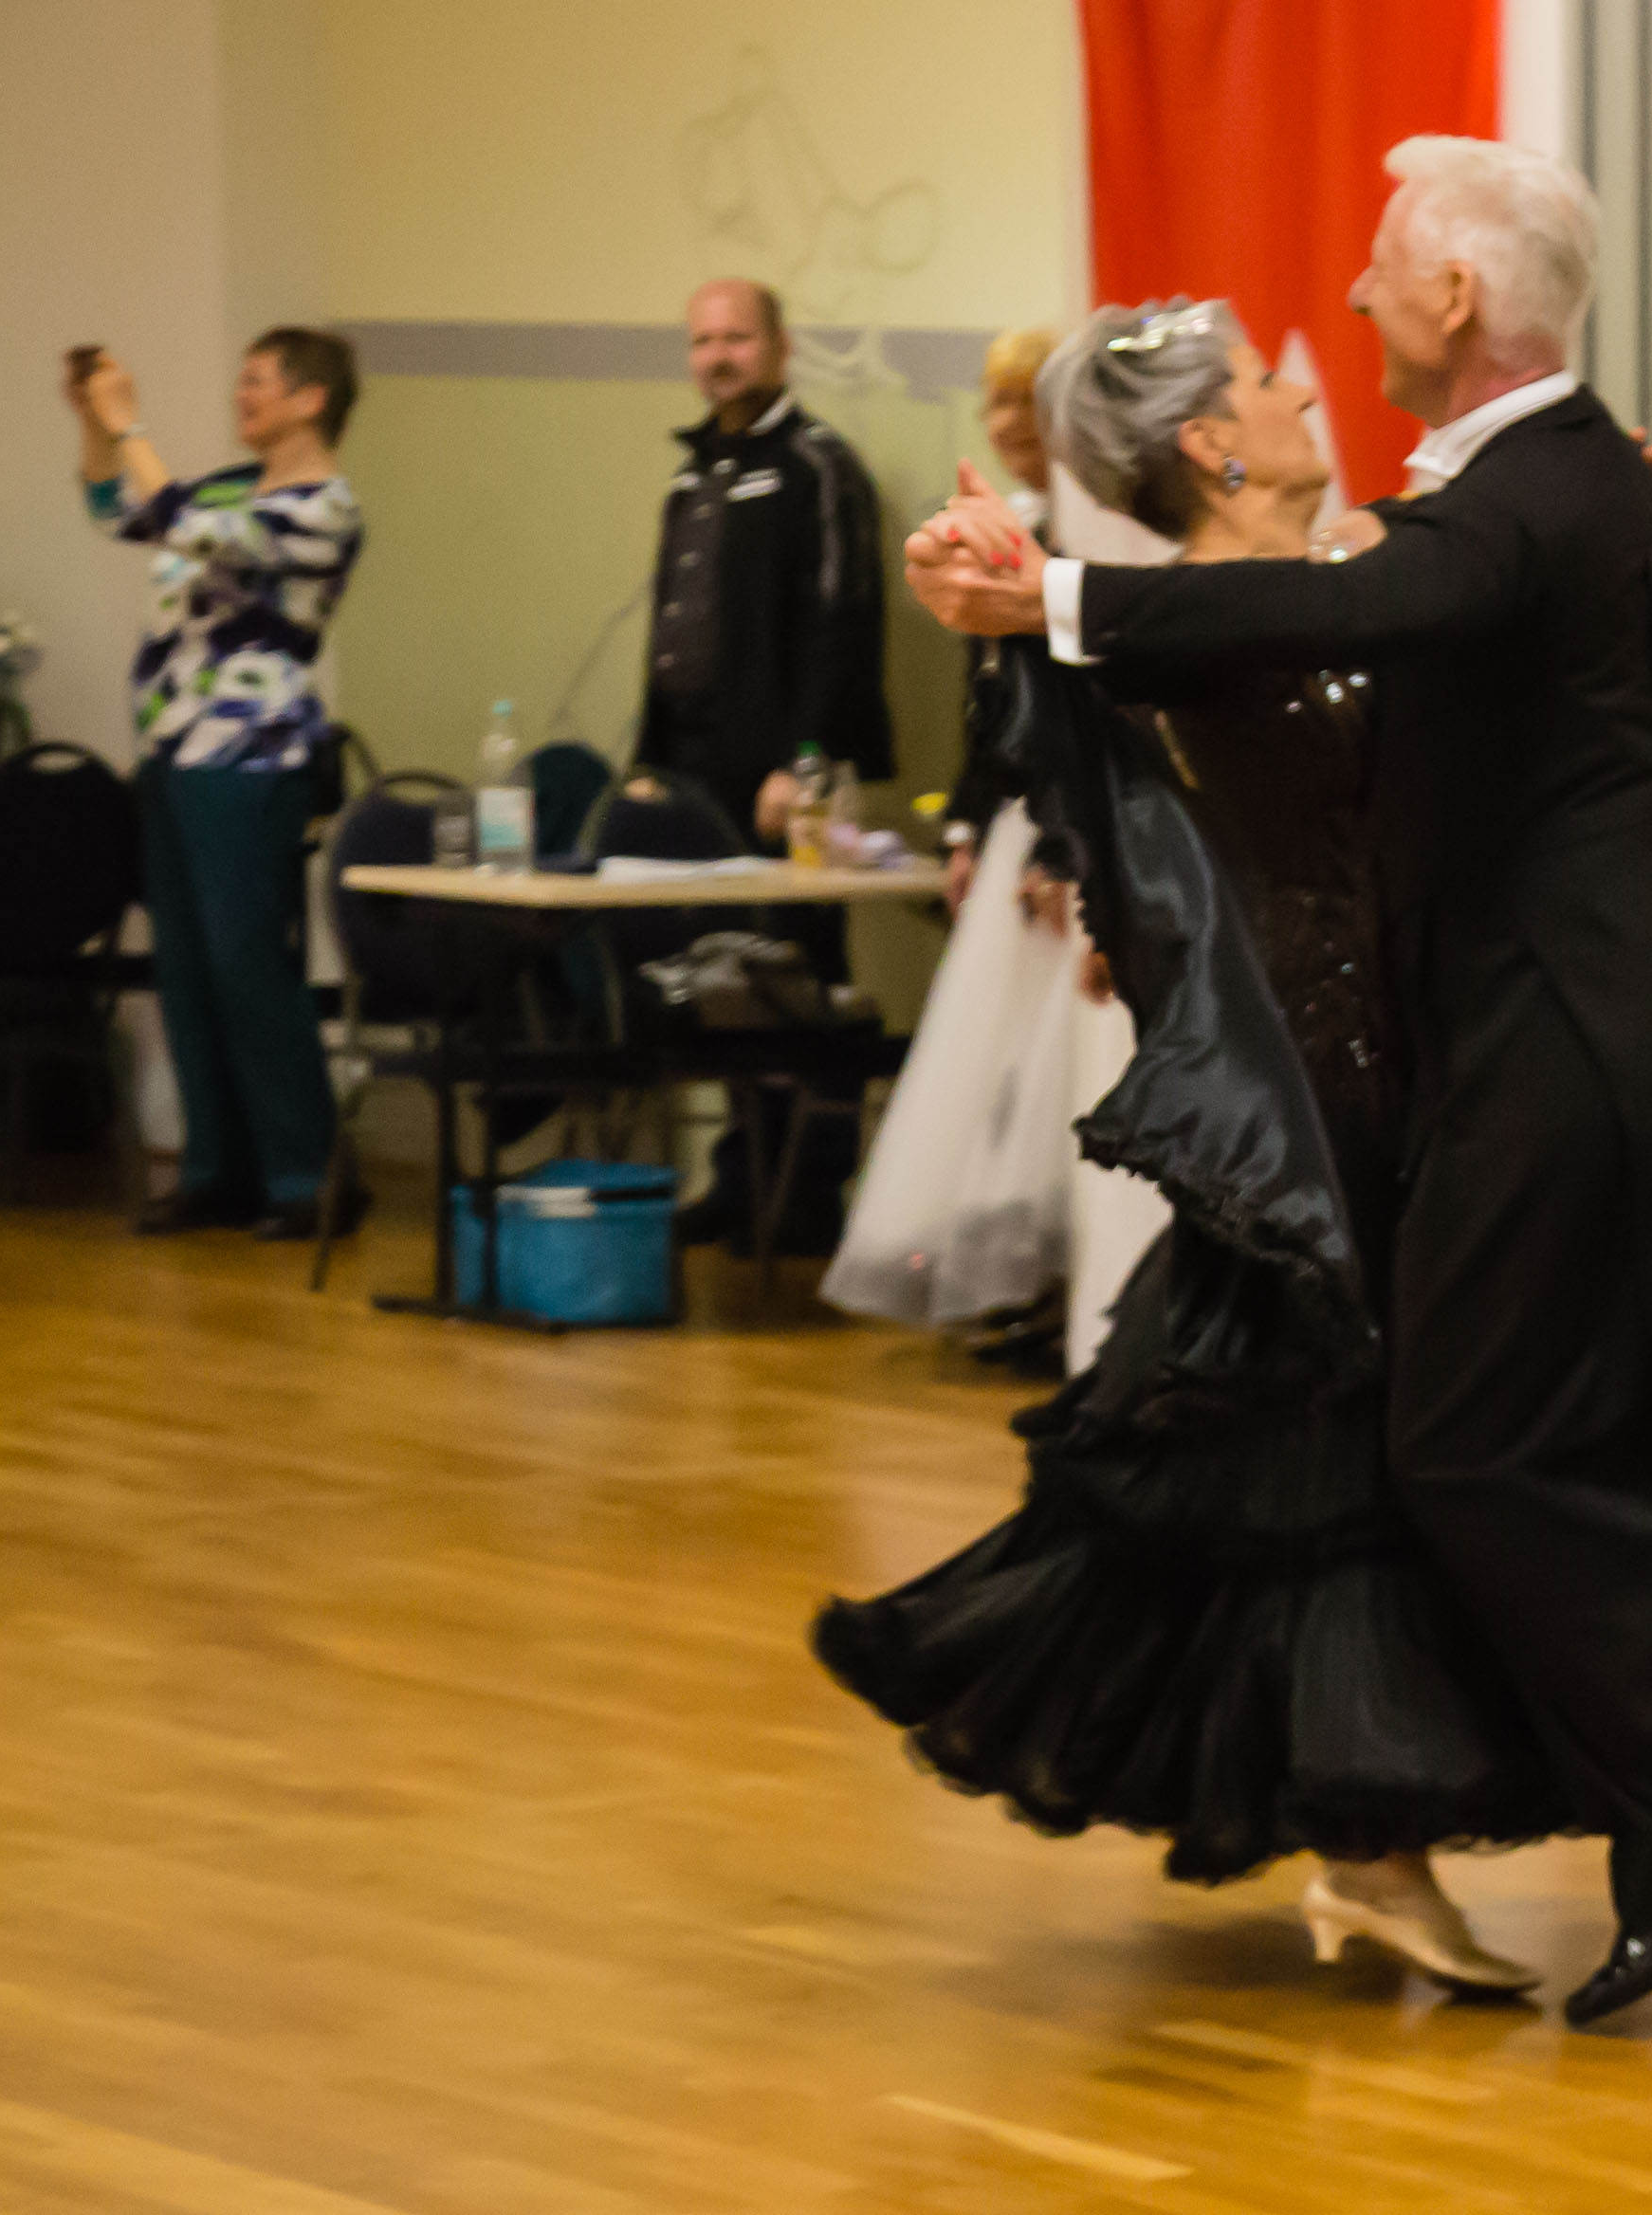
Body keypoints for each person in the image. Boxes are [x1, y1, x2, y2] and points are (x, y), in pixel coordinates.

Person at [906, 142, 1652, 2027]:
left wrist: (1054, 601)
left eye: (1370, 276)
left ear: (1454, 301)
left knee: (1487, 1456)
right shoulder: (1478, 513)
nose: (1336, 316)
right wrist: (1043, 609)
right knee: (1523, 1465)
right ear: (1208, 449)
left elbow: (1371, 614)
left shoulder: (1483, 516)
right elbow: (1337, 641)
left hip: (1555, 1058)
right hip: (1445, 1077)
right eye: (1272, 362)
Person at [821, 302, 1566, 1991]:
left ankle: (1371, 1837)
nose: (1303, 388)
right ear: (1214, 447)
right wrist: (992, 582)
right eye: (1264, 383)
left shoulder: (1350, 566)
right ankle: (1373, 1849)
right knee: (1329, 1450)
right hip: (1321, 1082)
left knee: (1329, 1453)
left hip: (1420, 1059)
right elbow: (1108, 737)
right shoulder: (1196, 618)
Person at [822, 324, 1112, 1341]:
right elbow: (990, 708)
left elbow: (1081, 712)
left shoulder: (1093, 543)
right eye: (994, 405)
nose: (1003, 425)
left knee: (1058, 1056)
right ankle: (1010, 1268)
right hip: (1015, 819)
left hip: (1067, 823)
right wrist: (967, 829)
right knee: (997, 1059)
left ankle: (1074, 1270)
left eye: (1022, 406)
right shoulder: (1012, 531)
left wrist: (1062, 844)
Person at [67, 331, 363, 1242]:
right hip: (171, 751)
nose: (243, 395)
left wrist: (132, 425)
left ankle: (307, 1175)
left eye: (258, 382)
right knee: (187, 968)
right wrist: (93, 425)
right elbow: (120, 510)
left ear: (311, 399)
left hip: (249, 756)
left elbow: (184, 524)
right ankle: (217, 1170)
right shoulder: (231, 486)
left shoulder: (325, 507)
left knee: (247, 966)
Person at [635, 280, 895, 844]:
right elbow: (670, 624)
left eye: (737, 338)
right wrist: (647, 762)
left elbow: (843, 623)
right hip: (685, 764)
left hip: (776, 780)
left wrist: (802, 764)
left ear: (783, 347)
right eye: (703, 341)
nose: (719, 356)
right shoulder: (691, 475)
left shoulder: (819, 464)